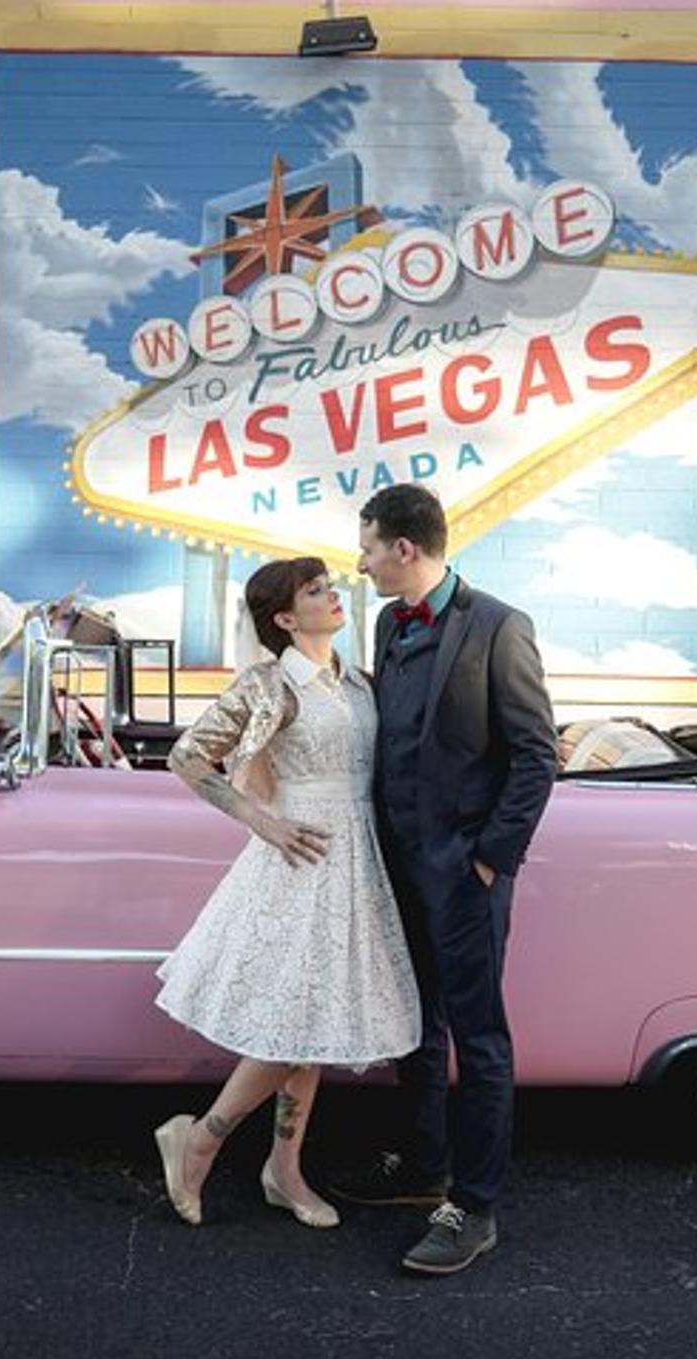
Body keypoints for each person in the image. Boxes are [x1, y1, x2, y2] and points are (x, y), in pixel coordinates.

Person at [152, 557, 421, 1229]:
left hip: (354, 861)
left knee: (315, 1024)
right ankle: (203, 1136)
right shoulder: (270, 683)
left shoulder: (357, 683)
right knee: (289, 1021)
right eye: (314, 592)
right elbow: (186, 756)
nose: (333, 597)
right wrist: (261, 821)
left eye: (329, 587)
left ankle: (284, 1169)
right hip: (297, 863)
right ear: (282, 618)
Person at [339, 483, 557, 1276]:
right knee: (414, 1024)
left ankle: (476, 1204)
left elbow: (537, 754)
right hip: (396, 865)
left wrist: (490, 857)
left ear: (404, 548)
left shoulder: (501, 627)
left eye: (367, 548)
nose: (358, 565)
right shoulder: (389, 621)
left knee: (479, 1037)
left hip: (465, 875)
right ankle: (422, 1163)